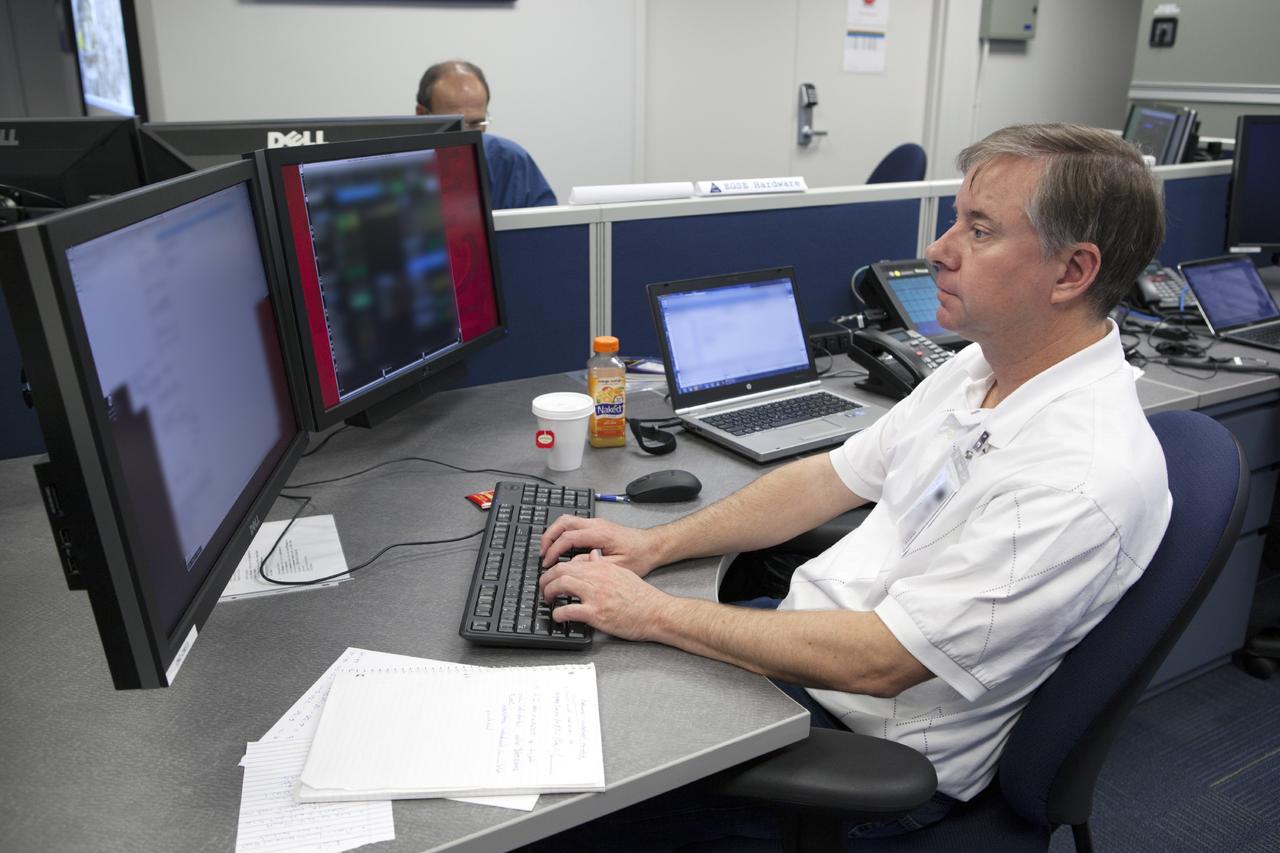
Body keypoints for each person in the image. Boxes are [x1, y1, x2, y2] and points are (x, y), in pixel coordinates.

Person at [531, 123, 1172, 848]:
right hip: (803, 646)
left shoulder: (1080, 477)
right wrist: (654, 547)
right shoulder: (983, 366)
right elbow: (831, 476)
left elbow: (881, 660)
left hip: (861, 747)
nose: (939, 248)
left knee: (553, 805)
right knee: (572, 682)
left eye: (980, 230)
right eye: (957, 218)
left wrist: (654, 614)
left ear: (1070, 273)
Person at [415, 59, 557, 210]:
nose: (467, 137)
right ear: (422, 115)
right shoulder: (399, 167)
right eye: (455, 126)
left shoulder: (510, 162)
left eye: (476, 124)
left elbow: (548, 229)